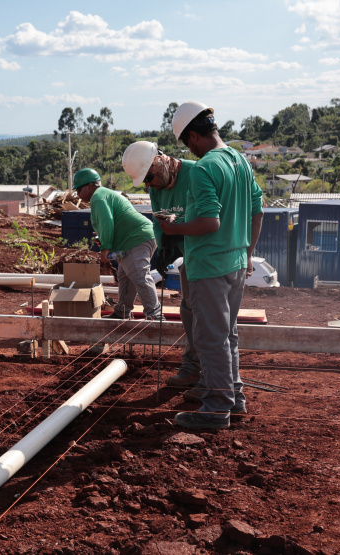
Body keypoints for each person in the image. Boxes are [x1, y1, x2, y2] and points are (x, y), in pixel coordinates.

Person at [160, 102, 264, 430]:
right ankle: (235, 399)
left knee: (211, 339)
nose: (188, 150)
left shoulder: (204, 168)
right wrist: (248, 252)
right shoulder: (240, 161)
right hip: (236, 263)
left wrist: (173, 229)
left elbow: (209, 222)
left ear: (193, 135)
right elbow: (257, 211)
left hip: (210, 266)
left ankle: (217, 409)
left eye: (187, 143)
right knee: (227, 336)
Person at [122, 141, 198, 385]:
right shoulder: (156, 189)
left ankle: (210, 375)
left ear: (160, 160)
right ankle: (192, 368)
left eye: (149, 177)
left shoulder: (196, 173)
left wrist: (178, 230)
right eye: (144, 181)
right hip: (189, 257)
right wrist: (163, 248)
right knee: (188, 310)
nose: (148, 185)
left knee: (206, 315)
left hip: (208, 254)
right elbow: (158, 222)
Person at [72, 168, 163, 320]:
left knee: (139, 274)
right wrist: (104, 238)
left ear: (90, 186)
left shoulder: (98, 197)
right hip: (133, 239)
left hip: (137, 238)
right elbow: (112, 222)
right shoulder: (105, 194)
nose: (78, 194)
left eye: (79, 189)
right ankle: (121, 313)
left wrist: (105, 247)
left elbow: (107, 222)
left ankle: (156, 315)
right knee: (125, 276)